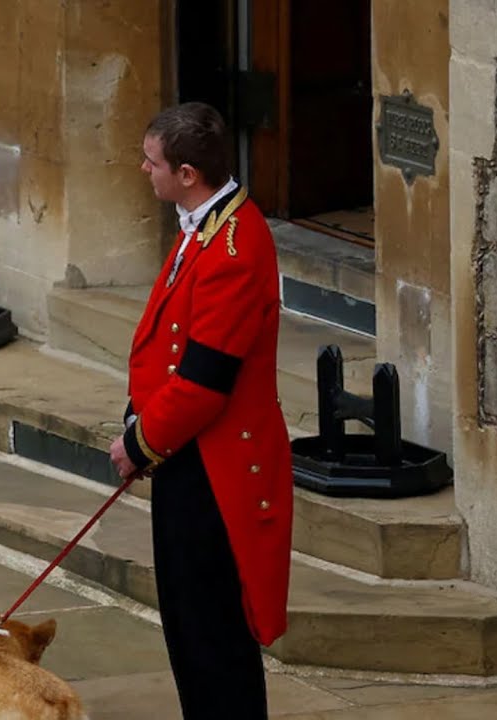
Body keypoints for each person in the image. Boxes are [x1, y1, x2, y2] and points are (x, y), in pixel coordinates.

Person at [108, 102, 292, 719]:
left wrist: (137, 445)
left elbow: (205, 381)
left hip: (217, 468)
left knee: (212, 634)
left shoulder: (235, 246)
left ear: (187, 173)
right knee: (187, 626)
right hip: (186, 455)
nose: (144, 170)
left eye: (152, 161)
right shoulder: (205, 226)